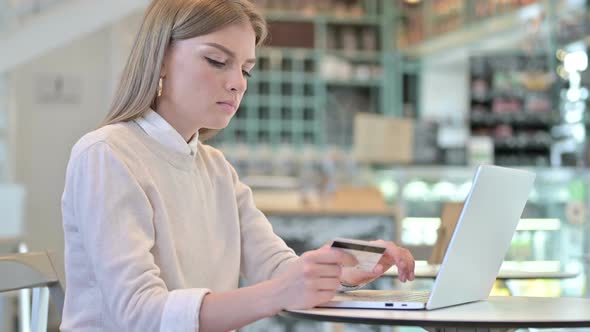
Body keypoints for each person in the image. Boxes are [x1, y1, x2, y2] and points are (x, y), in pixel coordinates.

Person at [60, 0, 415, 331]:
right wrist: (280, 292)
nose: (238, 83)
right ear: (161, 58)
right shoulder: (107, 154)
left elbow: (275, 266)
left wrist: (338, 270)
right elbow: (138, 313)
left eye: (246, 70)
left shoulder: (215, 167)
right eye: (217, 61)